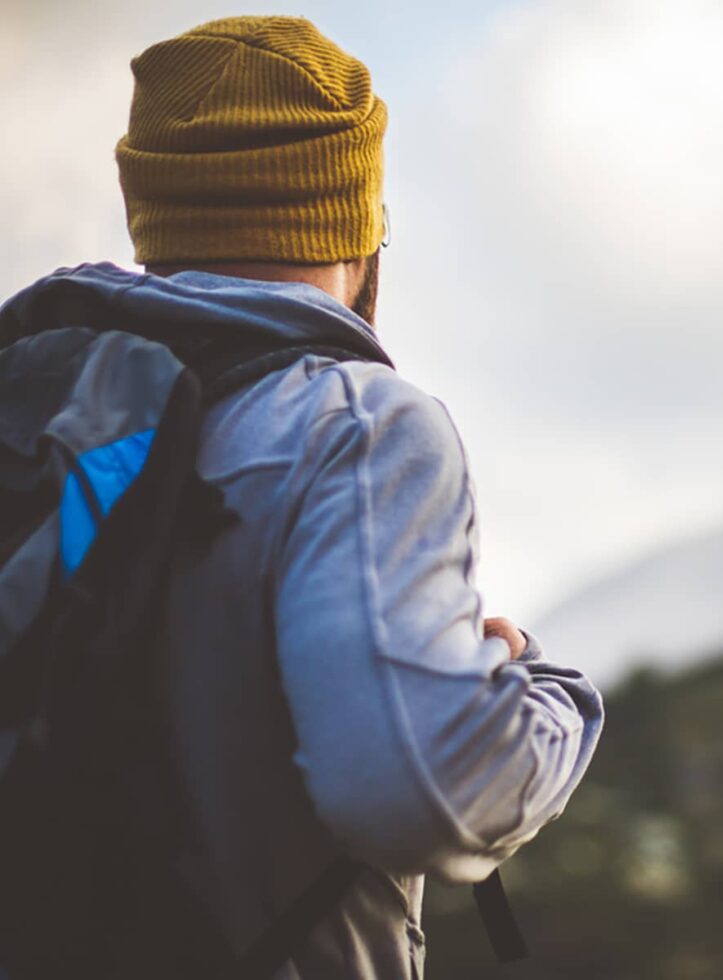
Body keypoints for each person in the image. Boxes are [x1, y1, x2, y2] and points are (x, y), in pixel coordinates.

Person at [6, 15, 604, 978]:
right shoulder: (355, 425)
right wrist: (546, 696)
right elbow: (415, 787)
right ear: (358, 226)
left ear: (152, 208)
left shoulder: (34, 412)